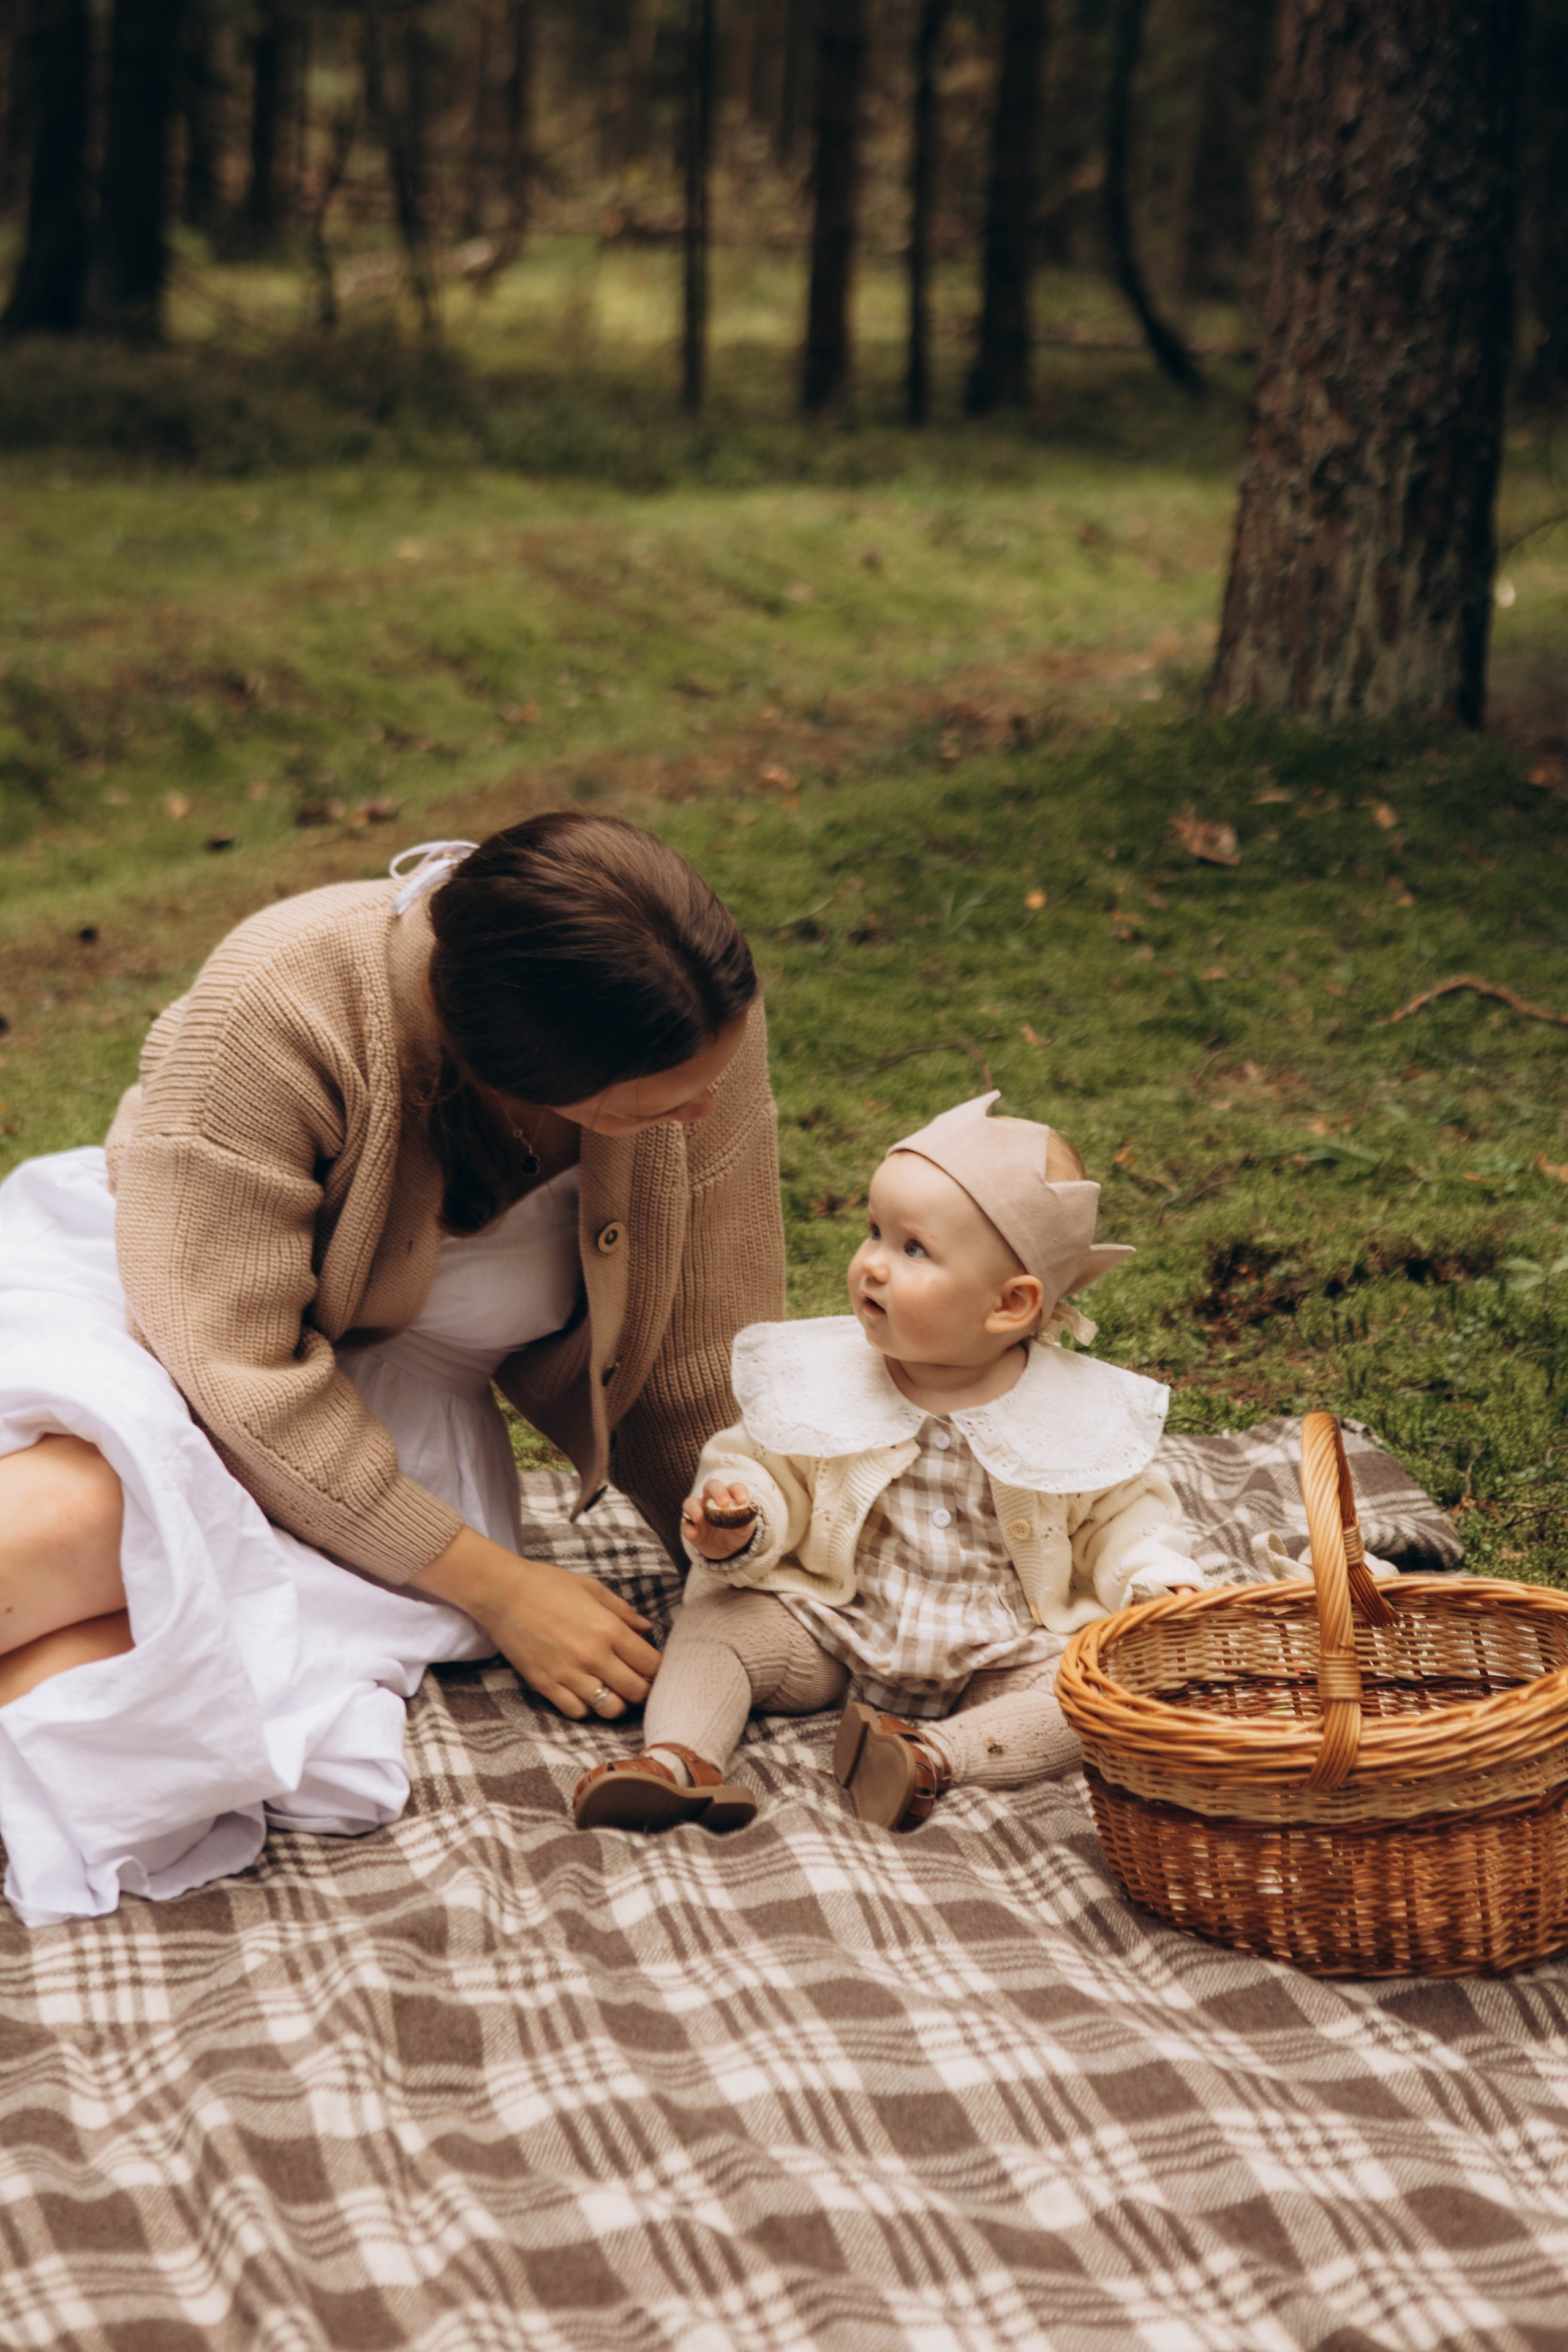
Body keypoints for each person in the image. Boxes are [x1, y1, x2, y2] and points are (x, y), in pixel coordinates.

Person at [0, 812, 783, 1925]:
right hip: (165, 1316)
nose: (702, 1116)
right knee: (84, 1519)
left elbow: (702, 1356)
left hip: (399, 1433)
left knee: (168, 1676)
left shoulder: (684, 1026)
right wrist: (502, 1590)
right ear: (516, 1070)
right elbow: (233, 1369)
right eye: (660, 1105)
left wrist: (769, 1546)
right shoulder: (277, 1002)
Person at [573, 1092, 1198, 1836]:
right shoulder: (825, 1379)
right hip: (834, 1626)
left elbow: (1125, 1522)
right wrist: (740, 1517)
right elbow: (766, 1469)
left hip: (999, 1649)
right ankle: (677, 1762)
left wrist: (1153, 1578)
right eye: (873, 1231)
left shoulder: (1073, 1413)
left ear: (1010, 1303)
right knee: (716, 1623)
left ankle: (930, 1757)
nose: (870, 1263)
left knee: (1093, 1690)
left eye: (912, 1249)